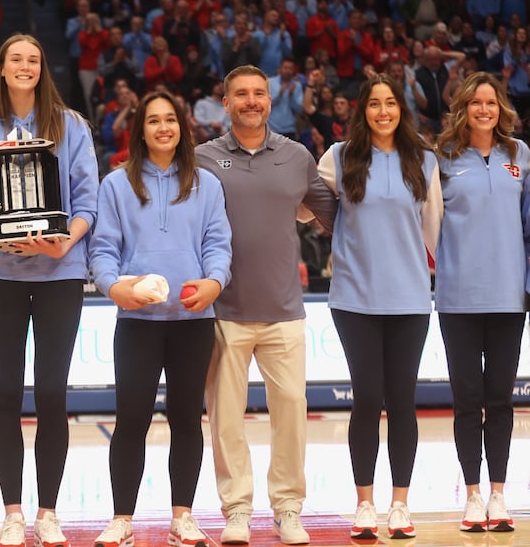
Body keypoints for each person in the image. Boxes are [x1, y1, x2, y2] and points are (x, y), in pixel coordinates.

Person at [0, 33, 99, 547]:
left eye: (34, 60)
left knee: (51, 394)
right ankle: (13, 512)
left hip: (59, 275)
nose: (25, 67)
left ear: (43, 70)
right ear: (1, 69)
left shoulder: (72, 127)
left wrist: (65, 246)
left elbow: (87, 202)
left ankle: (48, 512)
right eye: (15, 59)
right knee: (4, 394)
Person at [195, 64, 337, 546]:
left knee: (292, 412)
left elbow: (335, 216)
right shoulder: (202, 158)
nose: (251, 101)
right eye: (241, 94)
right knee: (225, 419)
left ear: (270, 102)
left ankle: (288, 508)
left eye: (259, 93)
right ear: (226, 102)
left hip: (284, 311)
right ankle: (236, 509)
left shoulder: (297, 157)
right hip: (223, 312)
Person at [89, 91, 232, 547]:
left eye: (170, 119)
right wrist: (114, 287)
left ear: (182, 126)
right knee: (131, 419)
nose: (163, 127)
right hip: (138, 321)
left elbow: (218, 244)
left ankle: (183, 517)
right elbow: (103, 249)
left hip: (193, 320)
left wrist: (214, 282)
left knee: (187, 419)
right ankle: (122, 518)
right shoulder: (116, 185)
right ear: (141, 130)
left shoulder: (207, 184)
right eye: (153, 121)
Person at [316, 74, 443, 540]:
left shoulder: (423, 159)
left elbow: (434, 231)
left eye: (390, 103)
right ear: (362, 110)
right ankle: (365, 504)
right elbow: (304, 203)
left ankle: (400, 505)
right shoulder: (339, 156)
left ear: (401, 108)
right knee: (368, 398)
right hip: (354, 299)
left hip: (410, 299)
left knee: (402, 401)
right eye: (374, 104)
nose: (383, 111)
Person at [434, 72, 527, 534]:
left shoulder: (520, 155)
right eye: (476, 103)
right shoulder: (443, 159)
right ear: (463, 108)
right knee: (468, 400)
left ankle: (498, 493)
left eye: (491, 102)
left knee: (501, 400)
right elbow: (429, 224)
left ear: (500, 107)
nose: (484, 110)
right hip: (457, 298)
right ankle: (471, 496)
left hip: (510, 298)